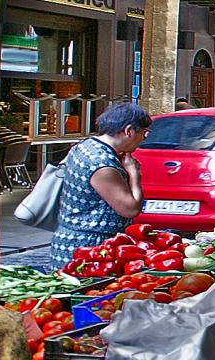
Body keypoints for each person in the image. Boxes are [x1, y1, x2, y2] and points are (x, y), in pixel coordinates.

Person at [50, 102, 151, 265]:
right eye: (144, 133)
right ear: (129, 131)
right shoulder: (102, 164)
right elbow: (130, 208)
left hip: (71, 241)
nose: (144, 138)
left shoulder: (85, 146)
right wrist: (134, 174)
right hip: (90, 247)